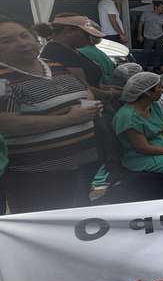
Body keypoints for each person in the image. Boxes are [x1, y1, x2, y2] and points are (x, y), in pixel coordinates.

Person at [0, 19, 102, 213]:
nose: (21, 43)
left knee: (79, 215)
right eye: (7, 40)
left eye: (24, 35)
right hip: (37, 174)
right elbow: (5, 124)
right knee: (47, 222)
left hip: (81, 164)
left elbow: (82, 89)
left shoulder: (52, 64)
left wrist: (87, 100)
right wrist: (68, 119)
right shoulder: (2, 79)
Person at [37, 14, 119, 104]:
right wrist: (111, 94)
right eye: (86, 34)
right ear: (68, 31)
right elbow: (82, 88)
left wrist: (110, 88)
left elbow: (92, 82)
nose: (90, 39)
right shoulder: (58, 52)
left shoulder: (71, 50)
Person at [138, 2, 163, 73]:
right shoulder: (146, 14)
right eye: (161, 7)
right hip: (148, 37)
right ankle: (144, 68)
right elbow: (140, 24)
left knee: (158, 53)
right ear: (156, 7)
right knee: (146, 53)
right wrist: (139, 35)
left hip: (159, 37)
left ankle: (156, 68)